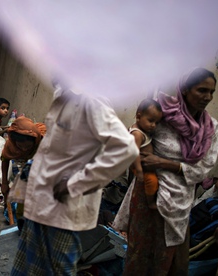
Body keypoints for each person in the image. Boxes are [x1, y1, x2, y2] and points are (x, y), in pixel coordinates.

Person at [11, 87, 139, 275]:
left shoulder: (93, 102)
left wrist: (75, 184)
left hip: (64, 207)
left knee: (58, 268)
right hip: (42, 198)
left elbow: (126, 149)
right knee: (29, 265)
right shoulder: (63, 94)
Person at [114, 67, 218, 275]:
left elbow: (204, 169)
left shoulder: (211, 128)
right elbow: (136, 132)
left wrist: (163, 162)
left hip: (178, 204)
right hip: (147, 196)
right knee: (139, 256)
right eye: (202, 90)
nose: (207, 97)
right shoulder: (163, 115)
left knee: (168, 263)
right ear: (186, 89)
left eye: (212, 92)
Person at [0, 116, 44, 225]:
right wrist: (4, 183)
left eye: (28, 147)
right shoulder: (11, 145)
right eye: (20, 147)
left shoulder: (45, 141)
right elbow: (5, 159)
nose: (24, 150)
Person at [128, 98, 163, 209]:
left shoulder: (142, 129)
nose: (153, 125)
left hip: (143, 165)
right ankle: (150, 202)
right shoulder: (137, 134)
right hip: (141, 167)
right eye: (151, 120)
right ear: (138, 117)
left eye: (156, 122)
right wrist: (139, 171)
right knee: (152, 182)